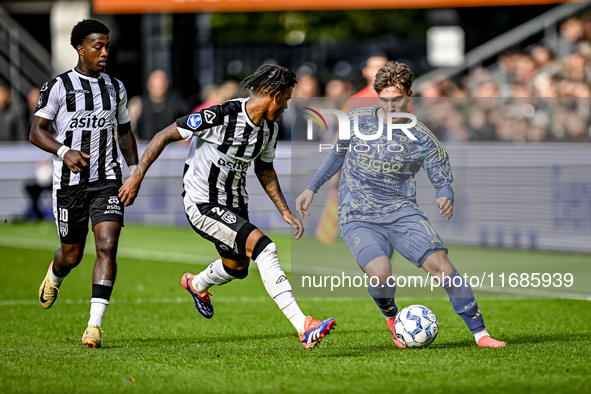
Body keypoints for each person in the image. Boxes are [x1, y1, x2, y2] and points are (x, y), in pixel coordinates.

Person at [118, 64, 336, 349]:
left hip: (235, 204)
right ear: (275, 95)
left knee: (237, 267)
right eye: (286, 99)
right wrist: (136, 176)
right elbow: (164, 135)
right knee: (264, 248)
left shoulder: (269, 129)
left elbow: (265, 170)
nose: (286, 107)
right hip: (202, 202)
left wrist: (283, 209)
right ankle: (303, 325)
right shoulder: (220, 115)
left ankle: (196, 284)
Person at [295, 61, 505, 348]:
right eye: (384, 99)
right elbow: (336, 155)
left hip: (402, 213)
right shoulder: (356, 120)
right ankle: (392, 316)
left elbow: (441, 176)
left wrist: (445, 193)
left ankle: (481, 335)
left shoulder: (422, 137)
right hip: (358, 215)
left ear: (409, 95)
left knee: (442, 267)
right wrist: (312, 187)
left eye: (398, 99)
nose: (391, 106)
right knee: (380, 273)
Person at [29, 19, 139, 349]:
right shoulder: (58, 87)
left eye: (107, 46)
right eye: (98, 46)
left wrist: (134, 171)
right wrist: (64, 151)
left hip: (107, 180)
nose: (105, 52)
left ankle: (94, 325)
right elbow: (36, 131)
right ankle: (56, 273)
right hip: (69, 184)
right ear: (80, 49)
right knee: (72, 254)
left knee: (107, 244)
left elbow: (124, 132)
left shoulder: (116, 87)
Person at [135, 69, 189, 140]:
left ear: (166, 85)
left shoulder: (177, 105)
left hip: (172, 147)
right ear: (148, 86)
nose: (156, 90)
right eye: (154, 86)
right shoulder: (141, 105)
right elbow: (137, 133)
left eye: (159, 86)